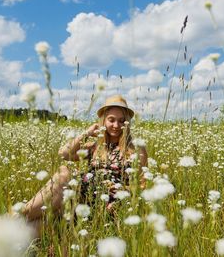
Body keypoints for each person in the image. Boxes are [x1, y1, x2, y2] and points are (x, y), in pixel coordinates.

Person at [23, 95, 148, 233]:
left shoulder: (135, 149)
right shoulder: (95, 147)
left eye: (121, 121)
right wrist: (86, 133)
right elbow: (64, 153)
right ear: (103, 121)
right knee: (63, 173)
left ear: (127, 123)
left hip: (106, 204)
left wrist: (122, 199)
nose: (116, 125)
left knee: (45, 218)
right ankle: (16, 218)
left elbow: (142, 183)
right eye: (111, 120)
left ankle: (17, 215)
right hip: (81, 195)